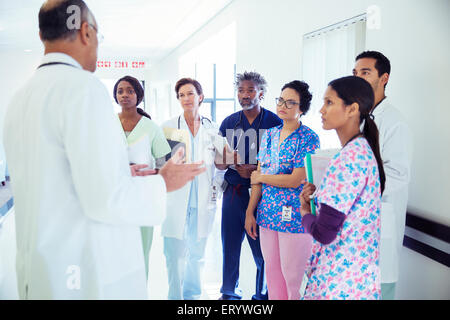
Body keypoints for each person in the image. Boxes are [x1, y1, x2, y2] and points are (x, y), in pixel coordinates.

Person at [2, 0, 205, 299]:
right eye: (98, 36)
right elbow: (105, 199)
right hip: (78, 270)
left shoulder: (22, 97)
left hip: (39, 262)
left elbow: (57, 174)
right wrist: (162, 182)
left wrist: (121, 171)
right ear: (86, 31)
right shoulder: (83, 89)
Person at [299, 76, 386, 300]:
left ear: (352, 109)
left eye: (329, 103)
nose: (321, 110)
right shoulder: (361, 151)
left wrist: (305, 212)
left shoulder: (348, 159)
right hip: (358, 280)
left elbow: (323, 233)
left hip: (338, 282)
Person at [245, 81, 320, 300]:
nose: (283, 105)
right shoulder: (268, 135)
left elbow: (296, 180)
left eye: (290, 102)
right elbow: (256, 180)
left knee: (293, 275)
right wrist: (250, 211)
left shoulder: (308, 138)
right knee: (272, 272)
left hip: (295, 217)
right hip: (267, 215)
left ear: (302, 109)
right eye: (280, 100)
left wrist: (262, 177)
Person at [216, 71, 282, 300]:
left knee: (263, 249)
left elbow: (282, 165)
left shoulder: (276, 123)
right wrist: (228, 159)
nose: (245, 95)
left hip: (265, 195)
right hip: (233, 194)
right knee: (230, 244)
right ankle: (229, 292)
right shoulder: (228, 123)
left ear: (261, 94)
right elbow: (219, 163)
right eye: (241, 90)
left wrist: (255, 170)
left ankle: (263, 294)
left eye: (250, 90)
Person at [353, 51, 412, 300]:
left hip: (379, 221)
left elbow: (397, 175)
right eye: (355, 73)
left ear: (384, 78)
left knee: (380, 289)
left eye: (365, 72)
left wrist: (357, 188)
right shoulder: (359, 118)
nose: (358, 78)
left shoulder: (394, 121)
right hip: (356, 220)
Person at [161, 78, 225, 300]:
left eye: (190, 94)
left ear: (200, 97)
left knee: (197, 254)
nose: (186, 99)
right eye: (181, 95)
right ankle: (175, 298)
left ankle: (192, 298)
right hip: (176, 198)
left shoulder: (213, 128)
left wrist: (218, 185)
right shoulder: (168, 127)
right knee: (174, 255)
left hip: (203, 198)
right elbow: (162, 164)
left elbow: (222, 163)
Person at [114, 75, 171, 279]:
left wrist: (146, 173)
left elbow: (164, 165)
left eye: (130, 90)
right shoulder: (107, 124)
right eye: (120, 91)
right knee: (115, 253)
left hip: (142, 198)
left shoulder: (150, 127)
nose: (125, 95)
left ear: (138, 95)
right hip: (114, 196)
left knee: (140, 252)